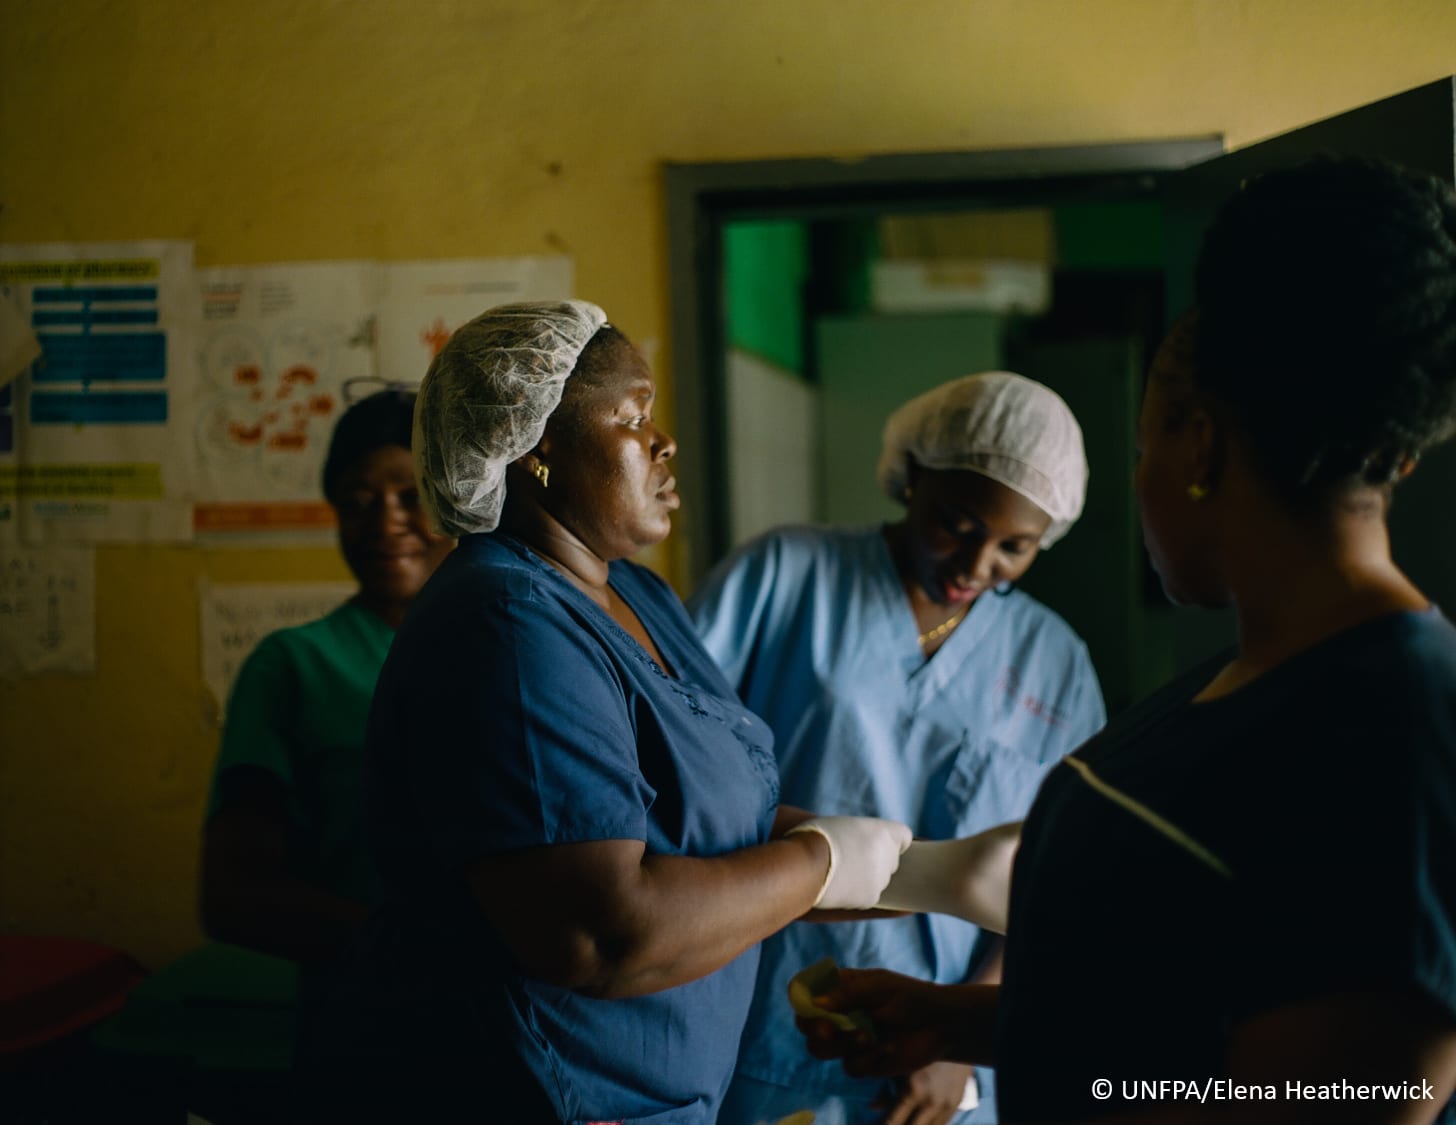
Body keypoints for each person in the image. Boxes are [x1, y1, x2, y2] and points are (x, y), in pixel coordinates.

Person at [795, 156, 1456, 1124]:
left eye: (1142, 448)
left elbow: (1338, 1095)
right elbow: (1186, 1020)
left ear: (1199, 446)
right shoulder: (1242, 688)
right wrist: (960, 1022)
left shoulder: (1403, 725)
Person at [298, 300, 915, 1124]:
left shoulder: (636, 595)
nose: (663, 443)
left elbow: (715, 829)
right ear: (537, 447)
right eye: (633, 415)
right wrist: (820, 864)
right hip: (535, 1098)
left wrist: (930, 873)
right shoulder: (508, 621)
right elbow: (599, 934)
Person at [691, 372, 1107, 1125]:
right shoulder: (786, 576)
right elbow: (673, 765)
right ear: (912, 476)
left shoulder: (1056, 662)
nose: (976, 566)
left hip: (941, 1076)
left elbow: (1065, 878)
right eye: (957, 522)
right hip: (761, 1032)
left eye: (1016, 547)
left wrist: (966, 1034)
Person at [200, 387, 454, 976]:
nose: (387, 520)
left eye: (412, 496)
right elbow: (233, 895)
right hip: (371, 1013)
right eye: (359, 500)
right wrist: (424, 955)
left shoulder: (520, 650)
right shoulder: (293, 665)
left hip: (528, 1026)